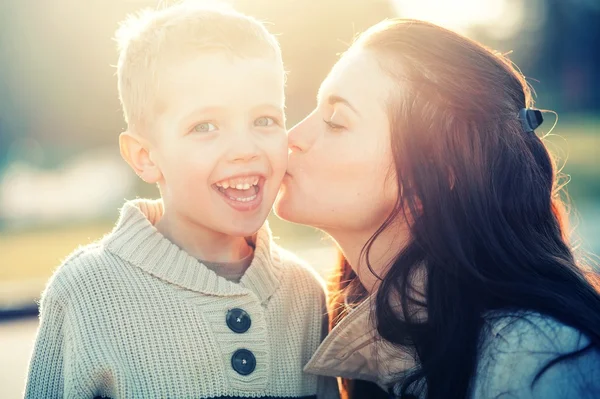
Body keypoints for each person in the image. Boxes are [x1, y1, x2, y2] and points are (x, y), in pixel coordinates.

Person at [275, 18, 600, 399]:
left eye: (335, 121)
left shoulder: (533, 360)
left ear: (432, 176)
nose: (291, 137)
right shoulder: (360, 329)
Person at [25, 3, 337, 398]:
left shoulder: (305, 294)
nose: (245, 148)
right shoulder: (85, 292)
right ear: (145, 157)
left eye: (264, 120)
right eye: (204, 126)